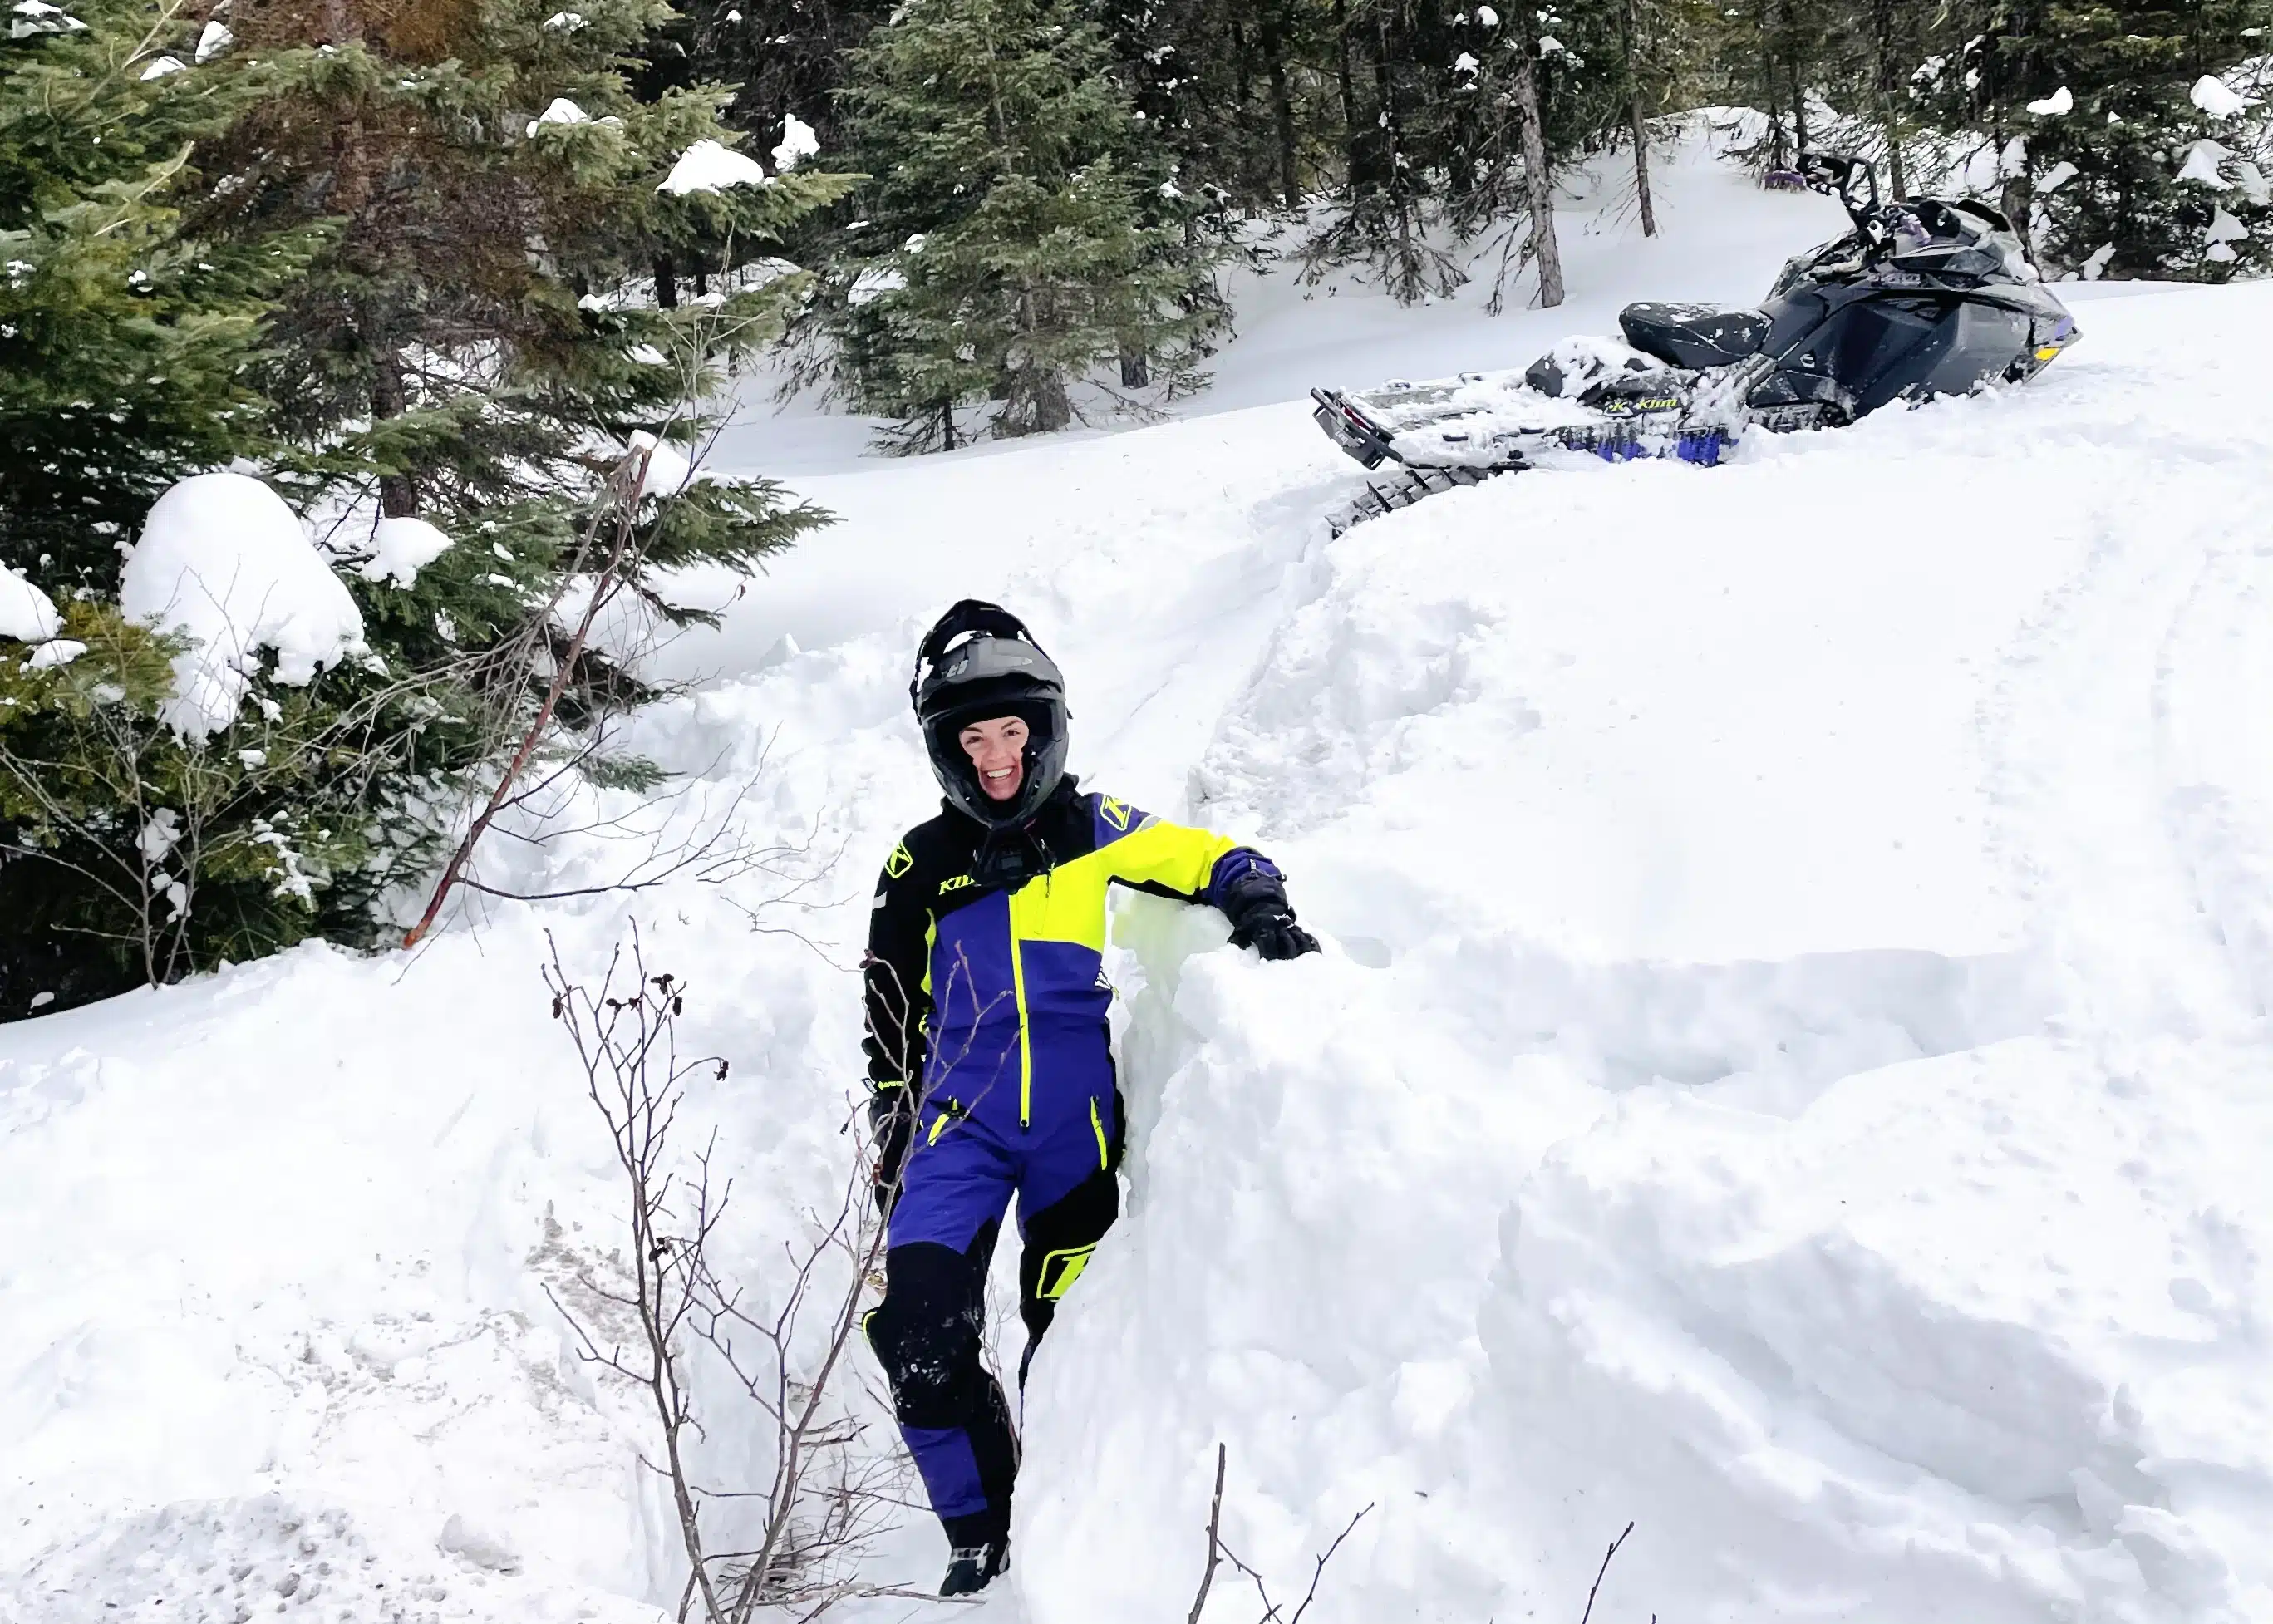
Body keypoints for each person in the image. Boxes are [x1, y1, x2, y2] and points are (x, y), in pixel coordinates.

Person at [860, 600, 1318, 1597]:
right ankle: (978, 1527)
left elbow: (1212, 857)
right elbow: (888, 1001)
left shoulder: (1092, 829)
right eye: (972, 738)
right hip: (957, 1131)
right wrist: (891, 1113)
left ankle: (1058, 1510)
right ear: (944, 748)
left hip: (1073, 1132)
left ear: (1045, 730)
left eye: (1011, 732)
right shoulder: (918, 863)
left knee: (1063, 1337)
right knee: (918, 1332)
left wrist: (1258, 901)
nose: (995, 758)